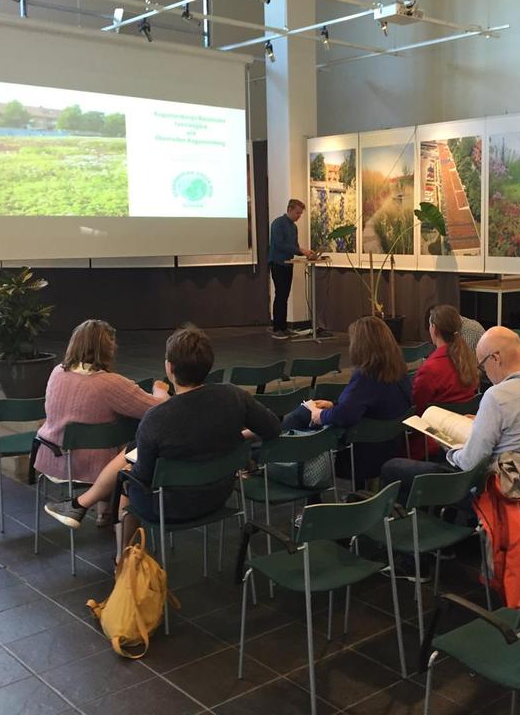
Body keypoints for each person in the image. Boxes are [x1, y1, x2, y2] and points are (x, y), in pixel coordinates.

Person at [43, 325, 281, 531]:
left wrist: (160, 395)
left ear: (169, 368)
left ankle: (123, 562)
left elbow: (142, 477)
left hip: (166, 505)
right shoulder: (235, 396)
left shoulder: (157, 419)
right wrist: (240, 436)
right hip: (220, 495)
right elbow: (272, 427)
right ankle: (85, 507)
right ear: (209, 363)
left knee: (128, 475)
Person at [380, 326, 520, 500]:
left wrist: (450, 449)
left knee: (393, 467)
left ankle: (414, 528)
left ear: (496, 358)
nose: (485, 373)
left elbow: (469, 463)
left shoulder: (498, 396)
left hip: (499, 490)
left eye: (482, 365)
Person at [34, 320, 168, 523]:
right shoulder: (109, 383)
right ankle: (115, 518)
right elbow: (158, 409)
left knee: (110, 433)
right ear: (109, 349)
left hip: (52, 456)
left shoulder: (57, 373)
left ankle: (104, 511)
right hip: (90, 465)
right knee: (134, 446)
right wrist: (161, 390)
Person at [282, 316, 411, 484]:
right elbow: (369, 406)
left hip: (360, 453)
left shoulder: (366, 376)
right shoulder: (399, 371)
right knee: (305, 415)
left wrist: (318, 414)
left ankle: (270, 458)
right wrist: (332, 406)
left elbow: (345, 416)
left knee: (302, 415)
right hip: (390, 446)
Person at [409, 305, 479, 460]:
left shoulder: (430, 368)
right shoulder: (467, 359)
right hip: (463, 433)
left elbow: (418, 410)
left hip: (434, 440)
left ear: (433, 329)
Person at [268, 199, 314, 340]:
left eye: (300, 214)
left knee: (285, 295)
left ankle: (283, 327)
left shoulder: (293, 227)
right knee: (280, 295)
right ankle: (277, 328)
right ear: (289, 209)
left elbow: (294, 246)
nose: (299, 216)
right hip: (277, 263)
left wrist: (306, 253)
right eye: (297, 213)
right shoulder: (277, 223)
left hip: (288, 263)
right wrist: (301, 250)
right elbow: (281, 245)